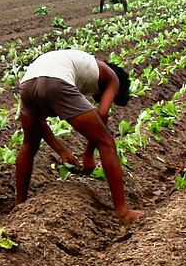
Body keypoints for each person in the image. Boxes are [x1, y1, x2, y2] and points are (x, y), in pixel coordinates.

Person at [14, 48, 142, 224]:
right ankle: (122, 212)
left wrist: (62, 151)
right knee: (107, 142)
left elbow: (39, 123)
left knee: (30, 144)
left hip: (27, 83)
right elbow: (102, 115)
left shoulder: (83, 63)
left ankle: (19, 203)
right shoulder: (113, 78)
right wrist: (88, 154)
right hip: (56, 81)